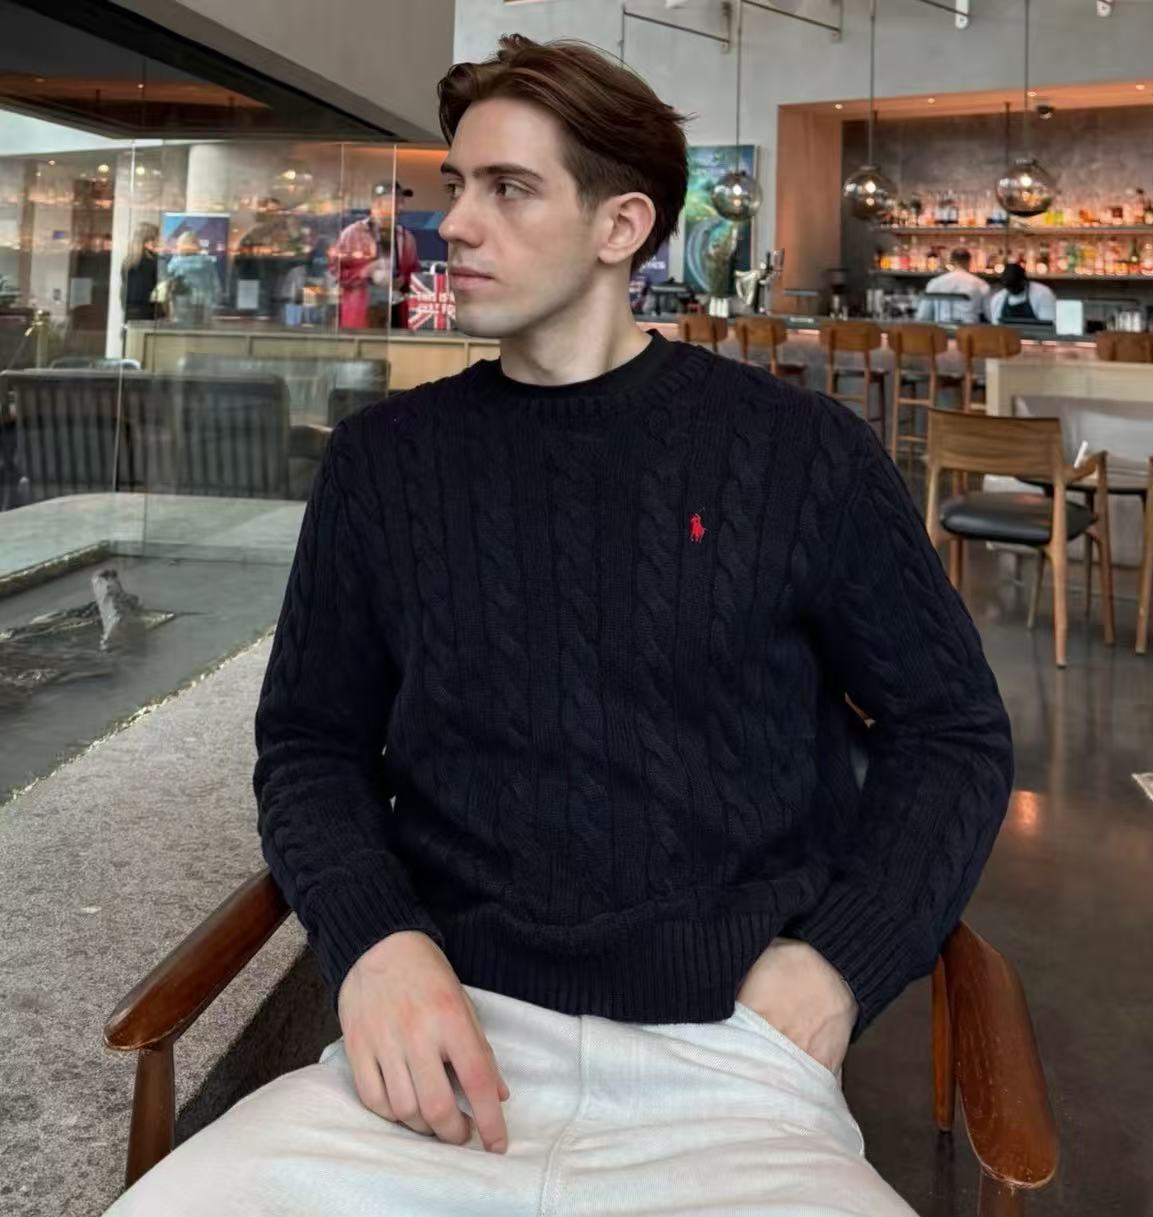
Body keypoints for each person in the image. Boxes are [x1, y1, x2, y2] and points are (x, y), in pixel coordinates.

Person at [106, 35, 1013, 1217]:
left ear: (620, 225)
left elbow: (951, 731)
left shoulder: (800, 454)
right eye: (456, 186)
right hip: (436, 1039)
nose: (452, 224)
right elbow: (310, 742)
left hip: (733, 1060)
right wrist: (375, 942)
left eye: (509, 188)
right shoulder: (385, 462)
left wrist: (836, 964)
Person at [336, 180, 422, 330]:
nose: (400, 208)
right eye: (396, 202)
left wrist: (403, 281)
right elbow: (336, 274)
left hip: (396, 316)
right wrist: (365, 272)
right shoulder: (352, 234)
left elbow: (415, 275)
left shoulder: (407, 238)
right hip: (362, 318)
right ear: (377, 204)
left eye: (402, 202)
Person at [914, 247, 990, 324]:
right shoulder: (980, 284)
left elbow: (924, 315)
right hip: (970, 329)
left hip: (942, 328)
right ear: (969, 261)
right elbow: (989, 315)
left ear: (951, 261)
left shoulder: (936, 282)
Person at [162, 231, 221, 327]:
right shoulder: (206, 262)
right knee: (201, 328)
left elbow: (167, 282)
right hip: (203, 301)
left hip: (181, 300)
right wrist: (216, 301)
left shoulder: (175, 263)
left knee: (182, 328)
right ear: (197, 244)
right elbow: (216, 284)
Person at [989, 261, 1057, 325]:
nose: (1012, 290)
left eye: (1014, 286)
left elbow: (1048, 325)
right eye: (1009, 287)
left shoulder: (1043, 294)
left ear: (1024, 281)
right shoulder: (998, 299)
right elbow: (996, 327)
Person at [120, 222, 160, 322]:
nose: (158, 242)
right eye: (156, 239)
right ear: (148, 241)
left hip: (130, 312)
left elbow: (124, 289)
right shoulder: (153, 261)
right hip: (147, 313)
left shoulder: (128, 261)